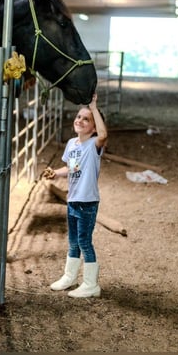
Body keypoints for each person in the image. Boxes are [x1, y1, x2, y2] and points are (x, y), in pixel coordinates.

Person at [42, 93, 108, 298]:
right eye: (78, 117)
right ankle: (69, 276)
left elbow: (105, 135)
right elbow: (72, 167)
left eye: (86, 119)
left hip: (87, 201)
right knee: (73, 241)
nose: (79, 120)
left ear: (94, 127)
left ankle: (91, 284)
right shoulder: (72, 144)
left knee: (84, 242)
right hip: (72, 199)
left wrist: (94, 108)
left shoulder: (95, 144)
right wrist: (56, 173)